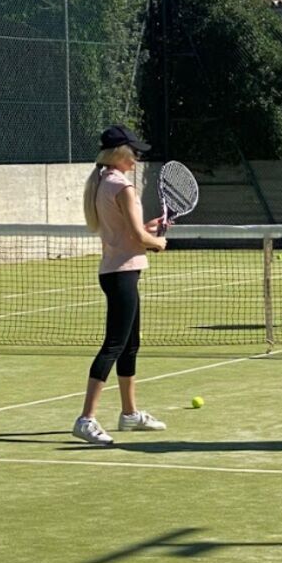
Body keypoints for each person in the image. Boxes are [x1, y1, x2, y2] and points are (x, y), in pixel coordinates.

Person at [73, 124, 170, 446]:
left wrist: (147, 229)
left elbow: (128, 231)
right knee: (114, 345)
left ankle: (129, 413)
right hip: (122, 273)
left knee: (130, 345)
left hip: (116, 270)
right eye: (133, 151)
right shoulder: (122, 186)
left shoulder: (102, 182)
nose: (137, 157)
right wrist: (158, 242)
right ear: (119, 153)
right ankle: (86, 419)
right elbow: (140, 239)